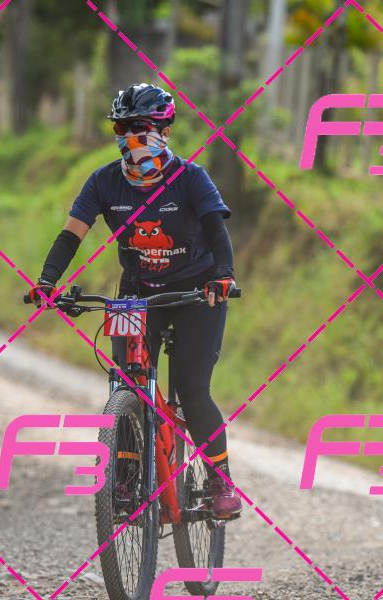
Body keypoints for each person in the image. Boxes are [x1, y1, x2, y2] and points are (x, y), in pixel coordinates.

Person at [31, 83, 241, 516]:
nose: (131, 136)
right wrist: (47, 281)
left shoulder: (191, 178)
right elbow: (71, 235)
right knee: (127, 383)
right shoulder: (104, 182)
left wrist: (223, 276)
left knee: (192, 388)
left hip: (197, 293)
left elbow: (218, 233)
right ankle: (126, 479)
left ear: (164, 129)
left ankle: (220, 478)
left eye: (140, 127)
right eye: (122, 128)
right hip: (137, 294)